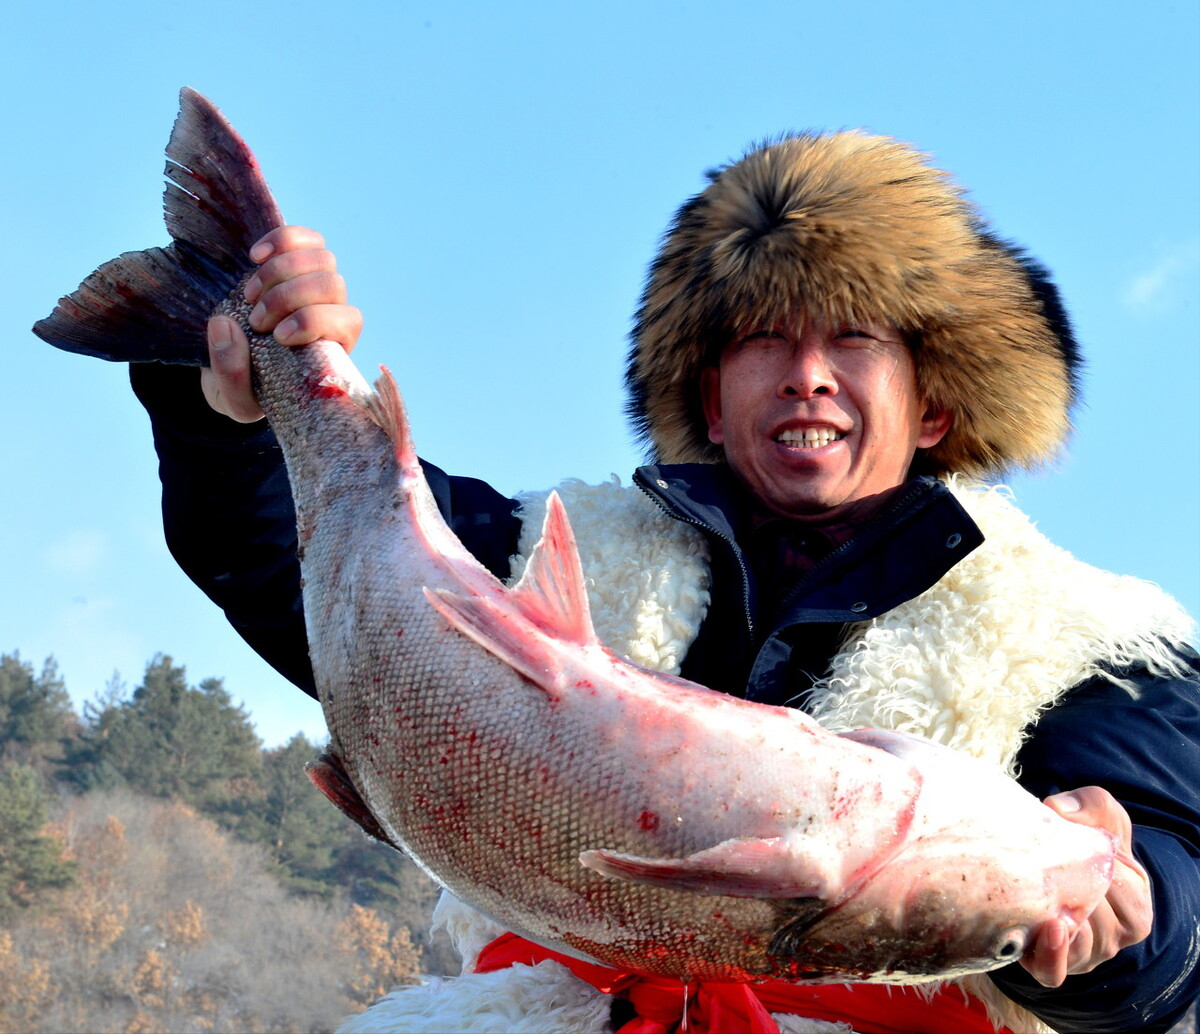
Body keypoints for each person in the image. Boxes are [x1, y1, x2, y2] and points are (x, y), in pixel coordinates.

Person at [128, 131, 1199, 1033]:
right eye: (766, 339)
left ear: (932, 404)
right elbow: (296, 575)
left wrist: (1129, 927)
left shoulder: (1091, 636)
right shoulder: (547, 543)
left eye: (856, 338)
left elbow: (1176, 916)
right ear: (710, 391)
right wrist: (233, 403)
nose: (809, 373)